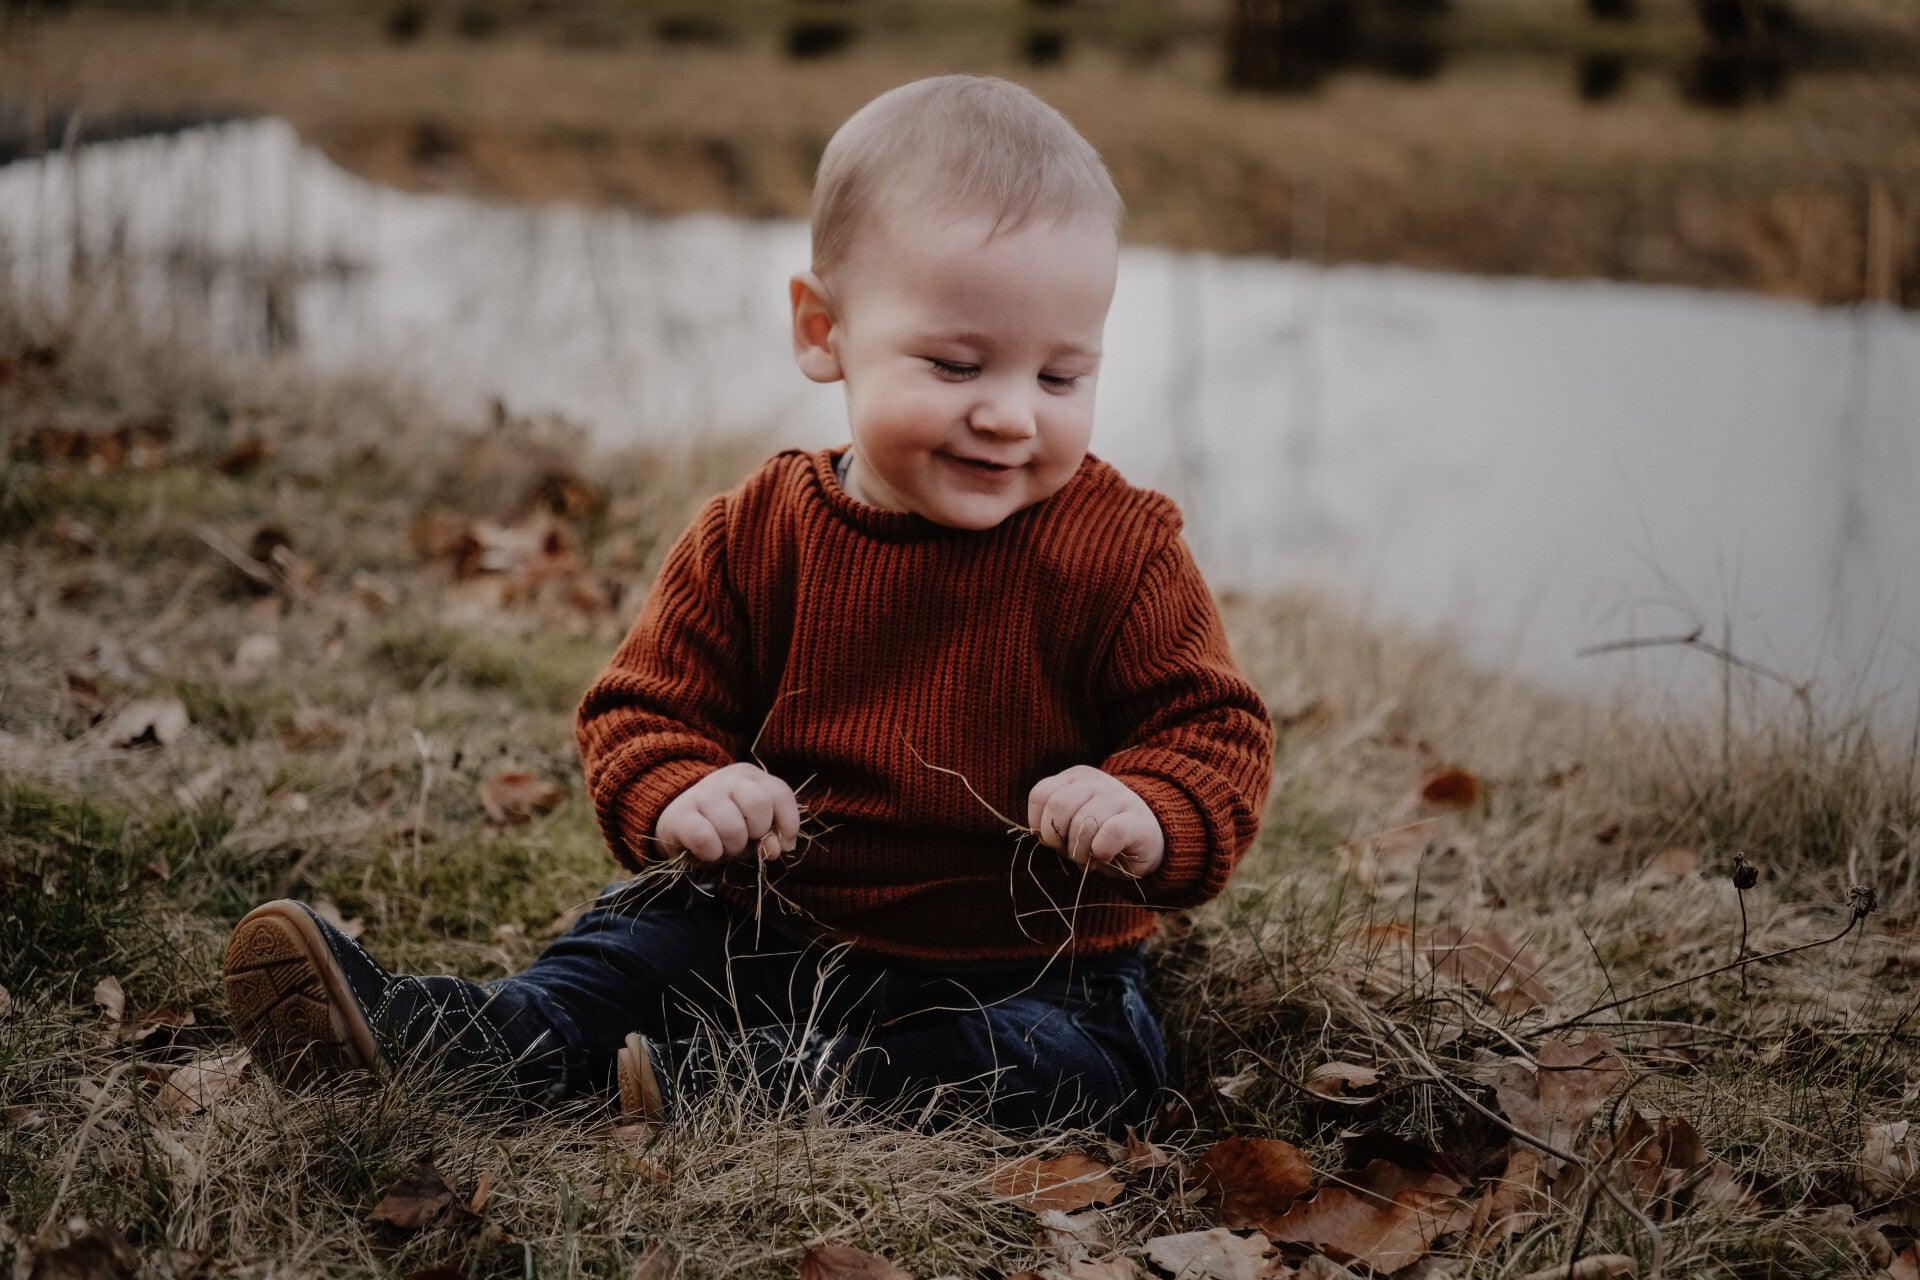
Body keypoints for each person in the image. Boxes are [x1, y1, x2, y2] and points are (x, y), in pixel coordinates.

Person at [223, 75, 1274, 1137]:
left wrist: (1147, 808)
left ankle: (766, 1082)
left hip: (1033, 966)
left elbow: (1213, 734)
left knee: (1075, 1067)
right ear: (823, 331)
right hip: (768, 924)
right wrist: (688, 789)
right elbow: (640, 710)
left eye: (1060, 377)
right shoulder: (758, 531)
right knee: (624, 957)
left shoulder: (1122, 551)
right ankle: (468, 1040)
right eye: (957, 364)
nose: (1010, 415)